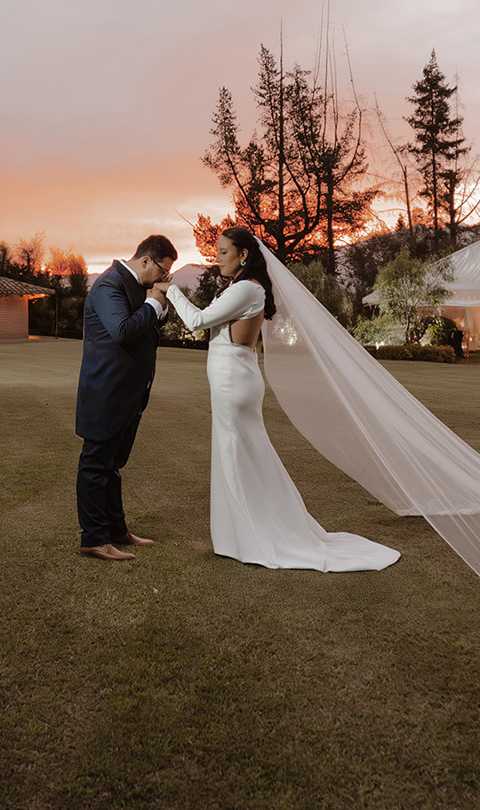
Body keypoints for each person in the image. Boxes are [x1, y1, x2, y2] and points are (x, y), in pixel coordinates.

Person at [165, 228, 400, 572]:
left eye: (223, 252)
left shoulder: (247, 289)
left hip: (235, 382)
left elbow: (196, 320)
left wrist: (170, 289)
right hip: (232, 379)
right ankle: (239, 535)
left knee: (239, 456)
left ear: (244, 254)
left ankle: (253, 536)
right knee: (242, 456)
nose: (217, 258)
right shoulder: (239, 288)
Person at [74, 234, 178, 561]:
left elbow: (146, 327)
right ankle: (93, 538)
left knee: (112, 466)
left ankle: (116, 530)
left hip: (127, 393)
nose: (164, 279)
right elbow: (121, 330)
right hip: (105, 391)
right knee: (95, 465)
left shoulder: (138, 288)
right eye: (163, 271)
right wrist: (154, 303)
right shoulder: (109, 285)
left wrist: (157, 307)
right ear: (146, 260)